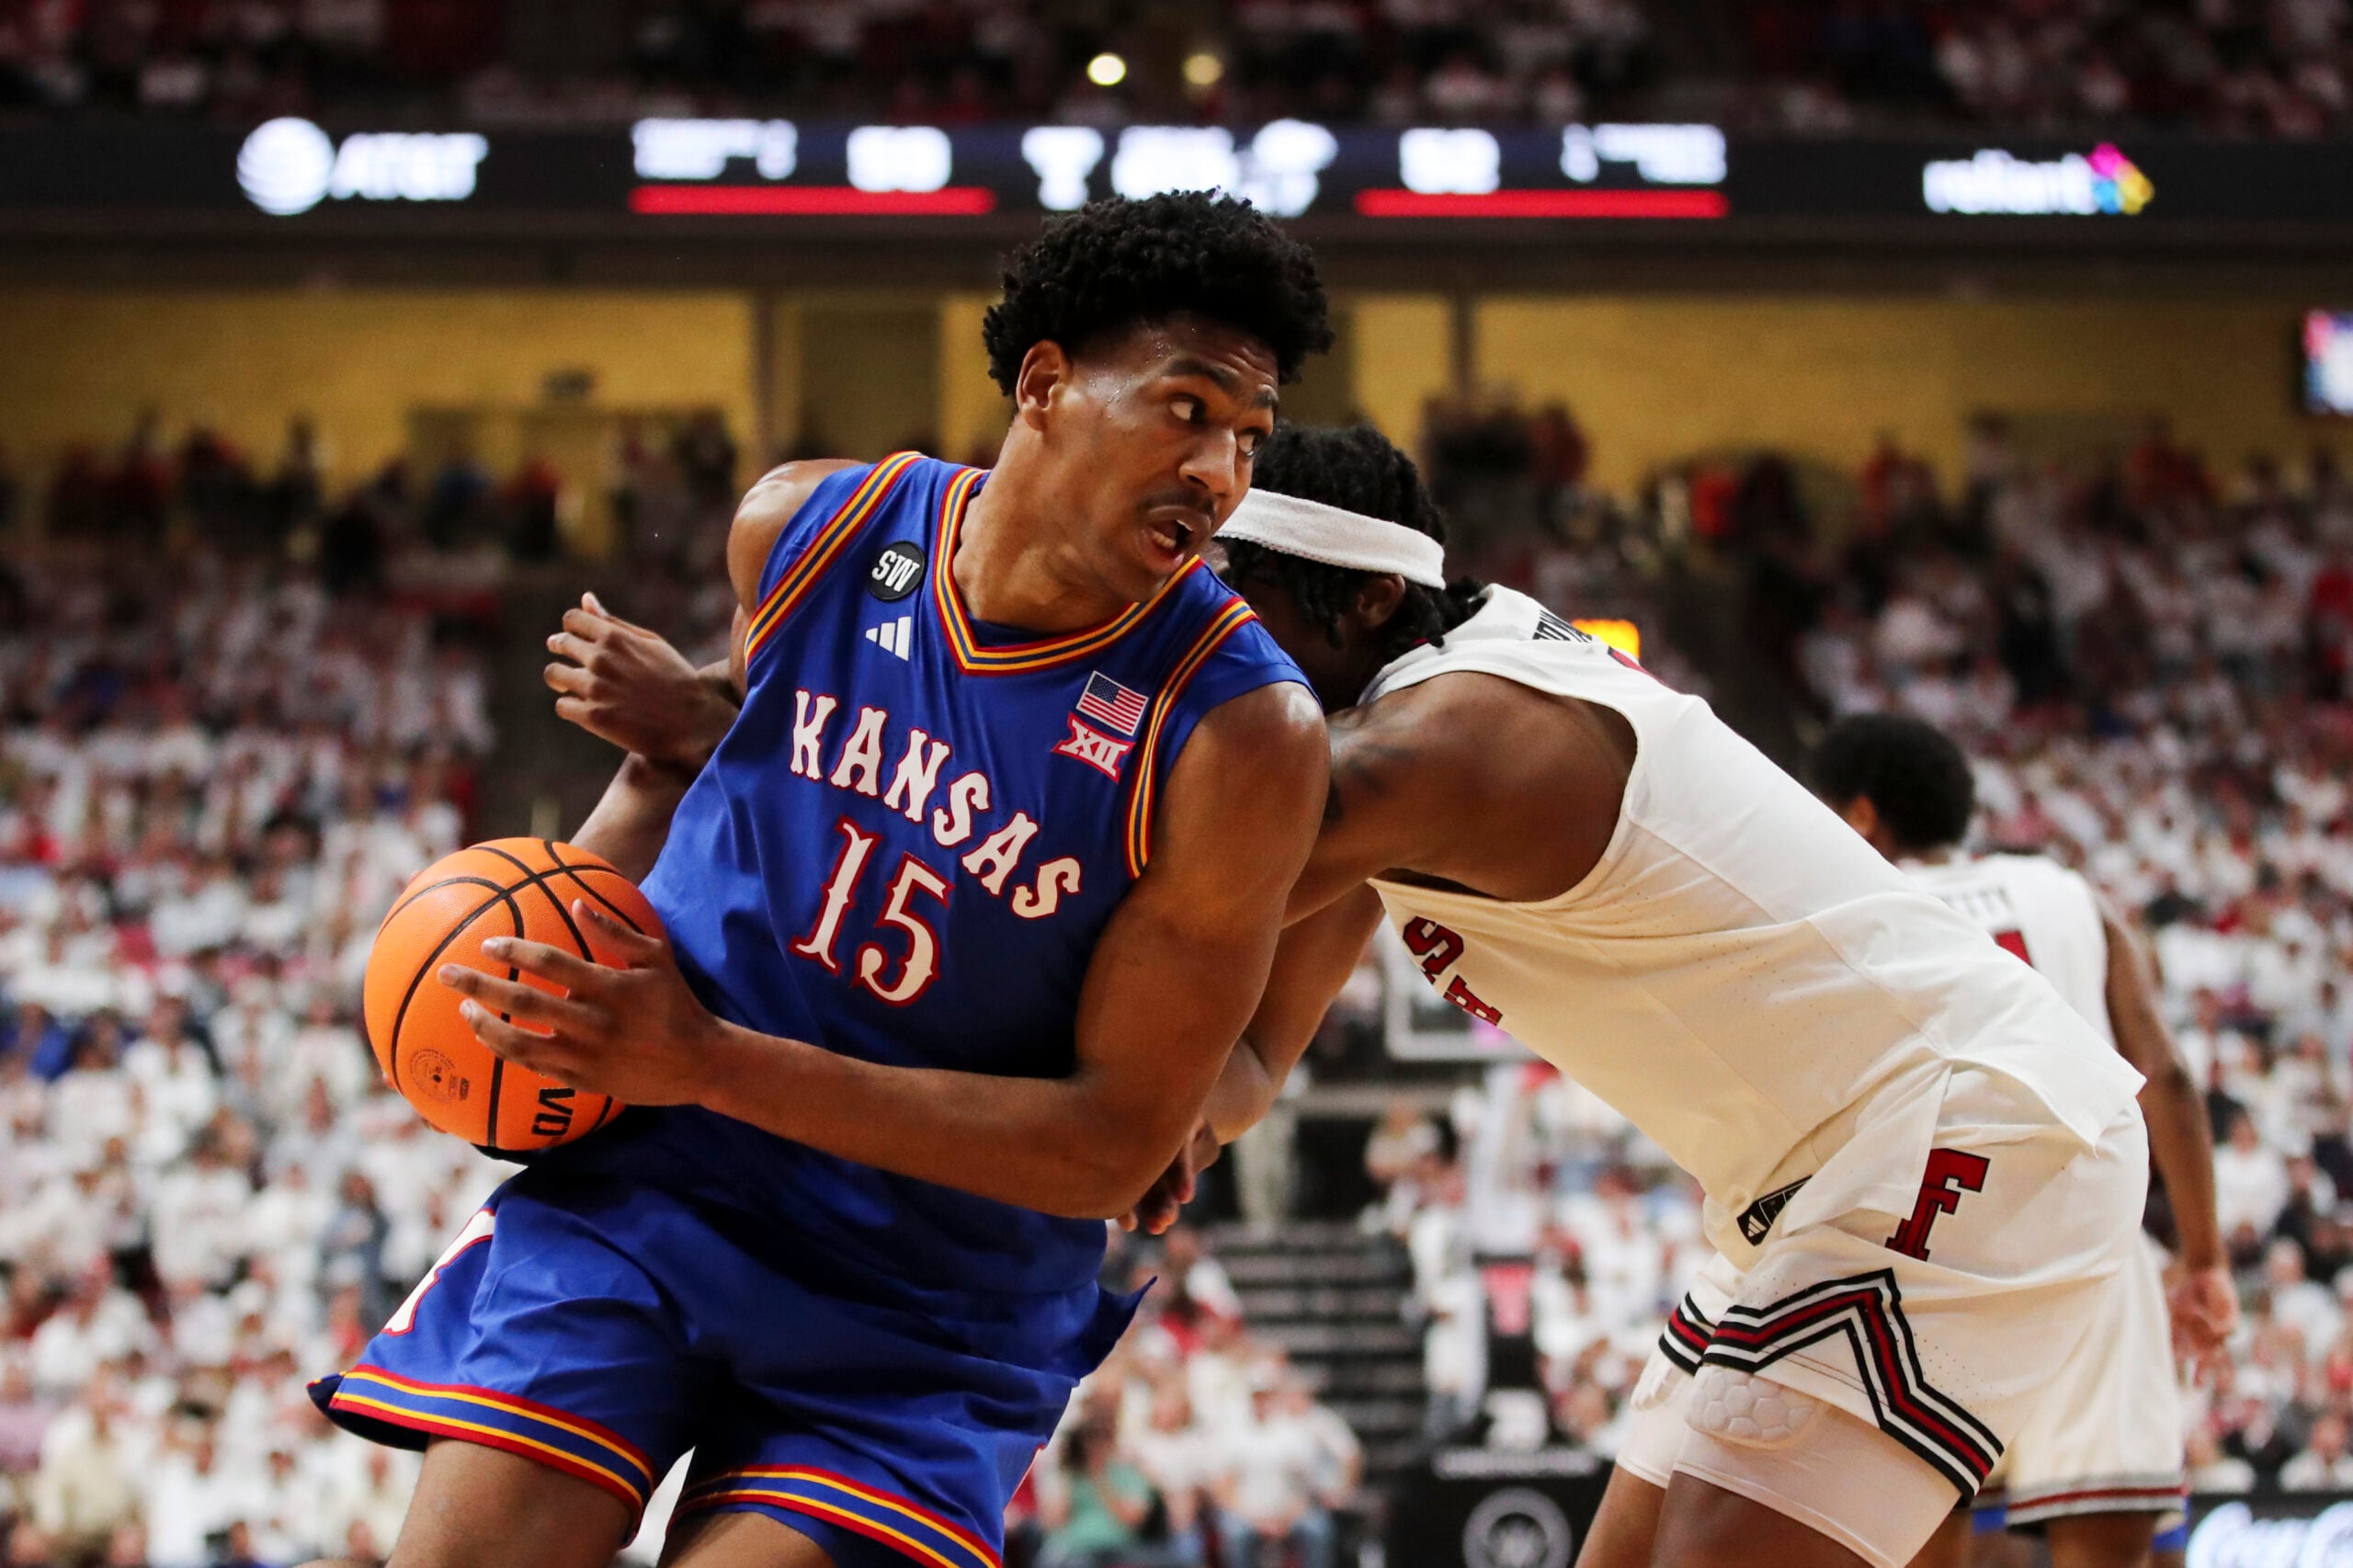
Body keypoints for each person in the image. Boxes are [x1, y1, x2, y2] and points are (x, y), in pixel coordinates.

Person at [303, 193, 1335, 1568]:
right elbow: (703, 764)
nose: (1218, 471)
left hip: (931, 1301)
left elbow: (1110, 1147)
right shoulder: (811, 527)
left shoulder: (1236, 731)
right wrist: (536, 991)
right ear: (1044, 383)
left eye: (1247, 438)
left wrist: (705, 1058)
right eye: (1187, 409)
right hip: (662, 1189)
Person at [1162, 422, 2157, 1568]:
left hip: (1958, 1123)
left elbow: (1160, 880)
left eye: (1238, 606)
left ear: (1373, 597)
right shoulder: (1387, 738)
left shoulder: (1447, 742)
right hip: (1807, 1176)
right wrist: (1148, 1128)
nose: (1206, 643)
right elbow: (1240, 1062)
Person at [1813, 711, 2239, 1568]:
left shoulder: (1848, 907)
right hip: (2089, 1240)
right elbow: (2170, 1078)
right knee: (2108, 1539)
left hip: (1927, 1252)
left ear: (1860, 815)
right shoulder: (2067, 892)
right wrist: (2204, 1260)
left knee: (1923, 1541)